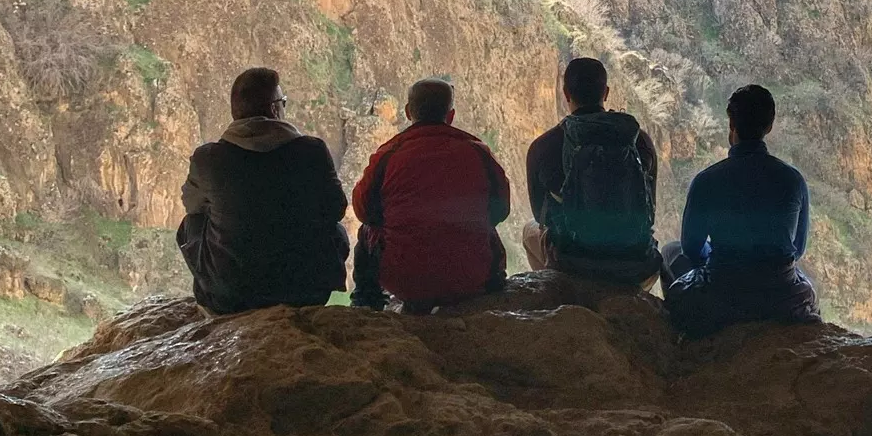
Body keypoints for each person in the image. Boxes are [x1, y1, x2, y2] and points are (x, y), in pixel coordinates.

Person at [177, 67, 349, 315]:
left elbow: (192, 207)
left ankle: (211, 295)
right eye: (284, 103)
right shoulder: (312, 150)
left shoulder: (208, 159)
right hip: (306, 291)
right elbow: (336, 208)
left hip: (232, 297)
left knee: (191, 223)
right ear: (274, 108)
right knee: (336, 230)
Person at [660, 84, 821, 337]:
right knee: (803, 283)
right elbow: (796, 249)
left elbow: (691, 248)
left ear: (731, 125)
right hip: (781, 297)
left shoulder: (707, 180)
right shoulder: (793, 180)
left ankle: (685, 339)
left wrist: (722, 259)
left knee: (670, 252)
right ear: (769, 127)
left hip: (722, 295)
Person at [351, 78, 511, 313]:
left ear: (408, 112)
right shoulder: (477, 152)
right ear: (451, 115)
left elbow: (363, 210)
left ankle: (367, 305)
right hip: (471, 276)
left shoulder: (389, 155)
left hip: (405, 280)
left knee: (366, 231)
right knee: (487, 229)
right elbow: (500, 210)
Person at [523, 56, 660, 286]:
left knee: (529, 230)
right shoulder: (638, 140)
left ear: (566, 93)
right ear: (605, 93)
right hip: (635, 267)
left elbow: (540, 216)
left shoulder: (544, 146)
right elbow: (649, 212)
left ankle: (556, 291)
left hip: (571, 265)